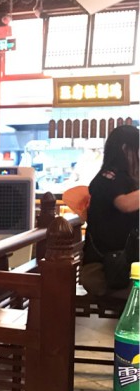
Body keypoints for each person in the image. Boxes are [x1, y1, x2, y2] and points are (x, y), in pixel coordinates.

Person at [80, 124, 139, 297]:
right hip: (103, 271)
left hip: (120, 266)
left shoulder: (126, 179)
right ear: (126, 149)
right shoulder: (108, 177)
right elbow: (125, 204)